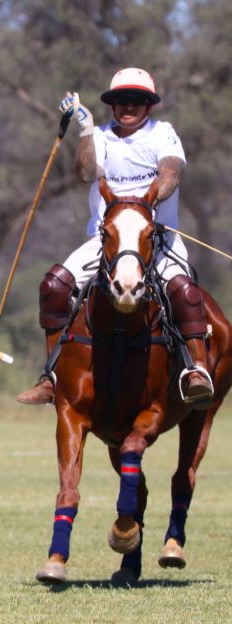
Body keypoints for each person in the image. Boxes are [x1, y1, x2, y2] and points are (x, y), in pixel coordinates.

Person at [17, 67, 213, 407]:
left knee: (183, 290)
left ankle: (196, 369)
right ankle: (52, 378)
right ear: (112, 104)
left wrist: (145, 203)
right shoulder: (102, 136)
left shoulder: (162, 134)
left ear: (149, 106)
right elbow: (84, 172)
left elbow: (170, 173)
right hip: (105, 239)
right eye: (121, 100)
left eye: (137, 100)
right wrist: (85, 129)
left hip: (156, 239)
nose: (128, 106)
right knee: (54, 286)